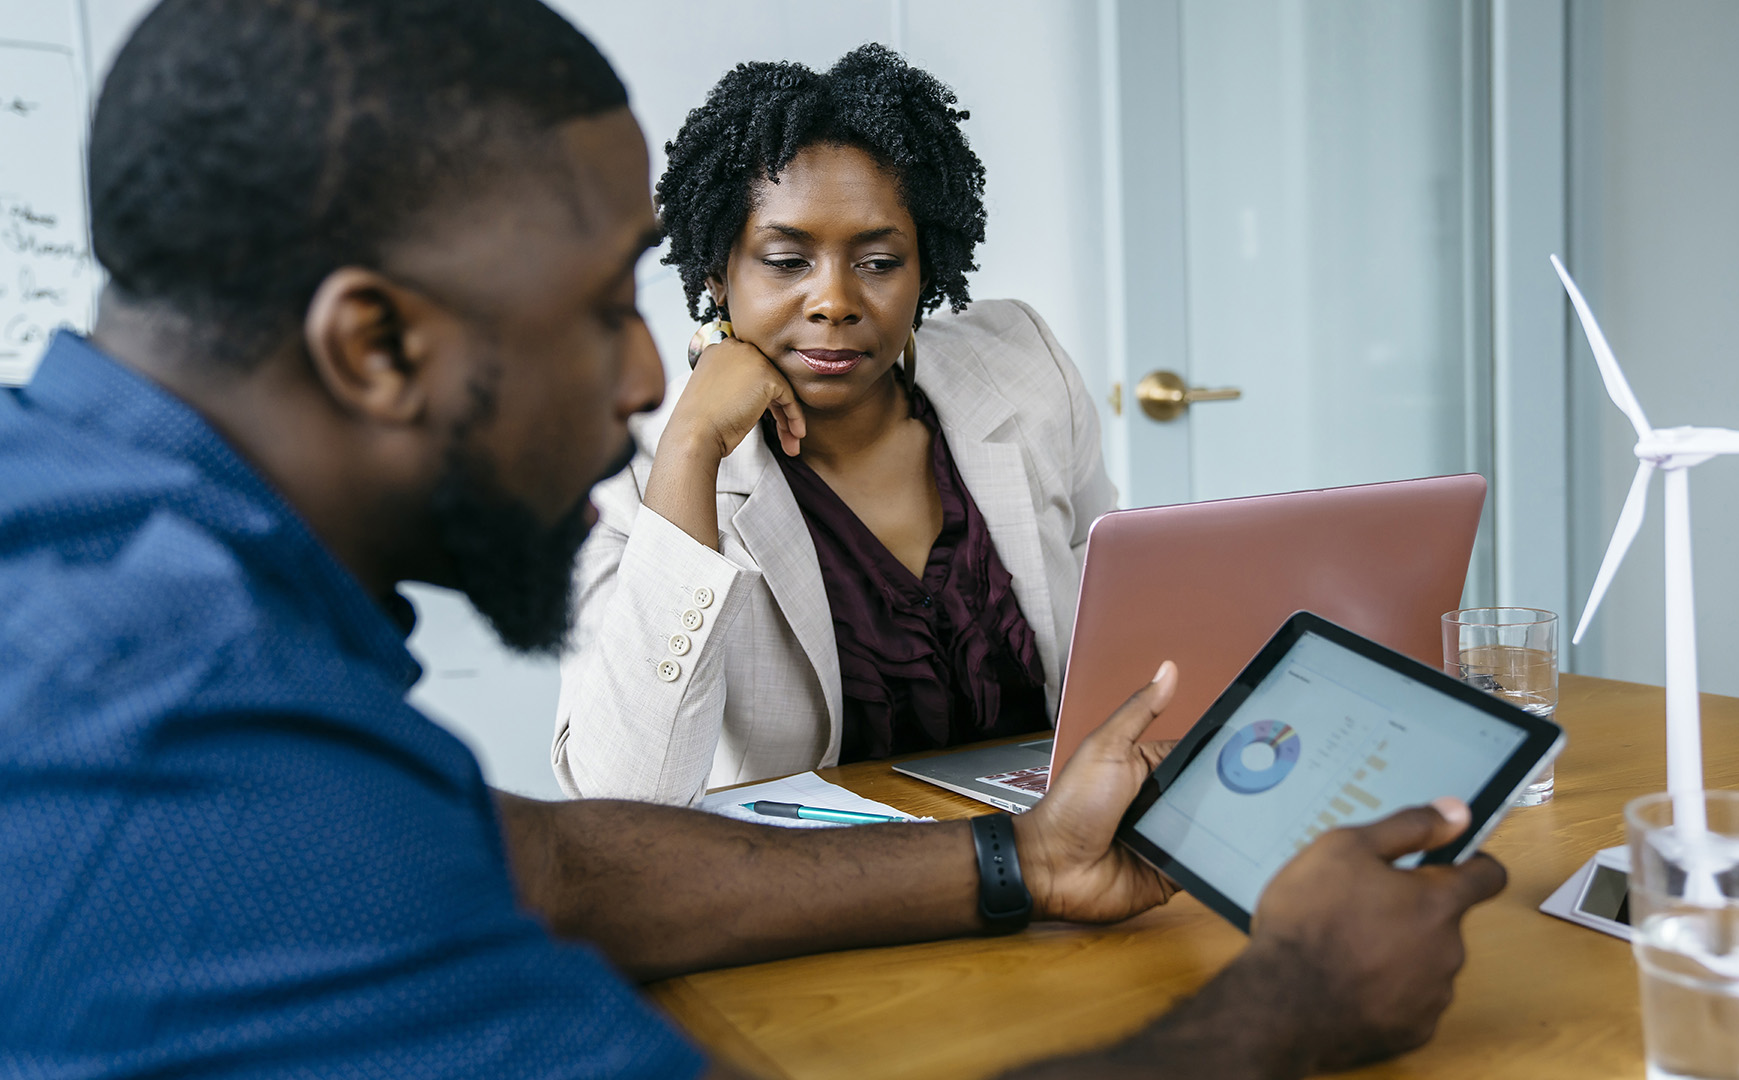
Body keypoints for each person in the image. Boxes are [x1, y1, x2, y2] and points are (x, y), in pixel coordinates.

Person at [0, 3, 1506, 1078]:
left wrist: (1011, 864)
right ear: (375, 345)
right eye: (606, 310)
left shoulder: (94, 536)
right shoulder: (179, 746)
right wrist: (1292, 1009)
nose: (651, 372)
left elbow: (548, 866)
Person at [554, 47, 1114, 805]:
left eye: (880, 262)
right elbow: (622, 798)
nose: (835, 301)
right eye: (786, 261)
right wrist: (690, 451)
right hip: (822, 901)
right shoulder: (627, 461)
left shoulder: (1024, 369)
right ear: (719, 275)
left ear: (928, 269)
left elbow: (1120, 637)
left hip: (1056, 863)